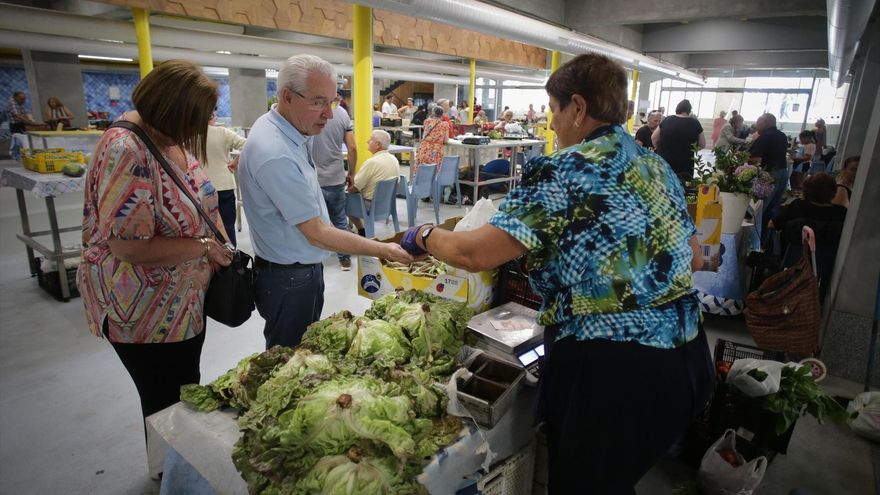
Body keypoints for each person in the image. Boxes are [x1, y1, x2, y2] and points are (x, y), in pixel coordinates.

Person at [398, 53, 711, 494]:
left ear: (578, 108)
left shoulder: (566, 168)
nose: (552, 123)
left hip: (614, 373)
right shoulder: (654, 165)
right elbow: (694, 259)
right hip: (687, 361)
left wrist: (423, 234)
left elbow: (473, 253)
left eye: (553, 110)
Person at [76, 60, 232, 462]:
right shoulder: (126, 150)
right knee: (166, 400)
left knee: (184, 389)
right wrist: (203, 246)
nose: (200, 128)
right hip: (142, 312)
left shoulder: (169, 139)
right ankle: (169, 475)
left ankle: (179, 466)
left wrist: (220, 240)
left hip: (181, 305)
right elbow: (128, 246)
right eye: (196, 119)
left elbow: (202, 196)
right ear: (171, 112)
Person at [238, 54, 413, 349]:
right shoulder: (276, 152)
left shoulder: (286, 130)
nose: (329, 115)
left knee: (303, 352)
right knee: (290, 359)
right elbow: (317, 233)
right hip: (289, 279)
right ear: (287, 97)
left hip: (298, 269)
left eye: (332, 102)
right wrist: (382, 249)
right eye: (318, 102)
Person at [308, 97, 358, 270]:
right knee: (339, 219)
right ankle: (344, 259)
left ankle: (314, 260)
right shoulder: (342, 114)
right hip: (336, 177)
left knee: (311, 221)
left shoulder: (308, 113)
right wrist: (351, 173)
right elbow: (352, 147)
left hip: (312, 179)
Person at [205, 113, 247, 247]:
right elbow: (249, 145)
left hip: (201, 188)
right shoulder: (223, 132)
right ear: (212, 116)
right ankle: (231, 259)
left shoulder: (188, 134)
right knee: (228, 228)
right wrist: (236, 161)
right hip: (224, 185)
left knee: (205, 230)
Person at [347, 130, 400, 234]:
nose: (367, 141)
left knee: (341, 199)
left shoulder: (371, 163)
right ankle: (361, 230)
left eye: (370, 139)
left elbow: (356, 187)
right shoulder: (394, 159)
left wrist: (345, 191)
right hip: (387, 205)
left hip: (370, 206)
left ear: (378, 145)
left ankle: (359, 230)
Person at [750, 113, 790, 235]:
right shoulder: (782, 136)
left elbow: (755, 159)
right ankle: (765, 238)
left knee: (760, 209)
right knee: (773, 207)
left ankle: (754, 238)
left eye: (758, 122)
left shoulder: (765, 137)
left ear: (765, 123)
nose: (757, 126)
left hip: (769, 175)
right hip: (783, 173)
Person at [653, 99, 705, 183]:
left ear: (677, 109)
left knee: (663, 186)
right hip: (685, 163)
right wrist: (689, 150)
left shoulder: (667, 120)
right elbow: (702, 144)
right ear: (689, 110)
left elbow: (654, 138)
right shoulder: (695, 123)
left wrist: (659, 149)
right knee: (683, 188)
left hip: (665, 160)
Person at [414, 106, 451, 176]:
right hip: (436, 150)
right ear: (442, 114)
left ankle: (420, 184)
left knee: (422, 168)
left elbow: (425, 133)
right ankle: (432, 186)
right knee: (434, 171)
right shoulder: (445, 124)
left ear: (433, 113)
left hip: (425, 147)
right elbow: (446, 140)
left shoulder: (427, 121)